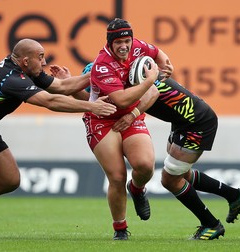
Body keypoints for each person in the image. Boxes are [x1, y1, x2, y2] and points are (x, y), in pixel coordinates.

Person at [0, 38, 117, 238]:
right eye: (41, 57)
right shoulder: (11, 79)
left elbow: (62, 87)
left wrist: (102, 70)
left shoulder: (27, 72)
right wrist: (91, 106)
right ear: (25, 61)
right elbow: (50, 101)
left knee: (9, 180)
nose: (44, 62)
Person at [112, 77, 240, 240]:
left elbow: (150, 92)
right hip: (184, 121)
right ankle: (234, 195)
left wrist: (131, 114)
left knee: (169, 179)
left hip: (197, 125)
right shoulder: (142, 72)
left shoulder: (136, 83)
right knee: (180, 173)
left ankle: (211, 224)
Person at [82, 18, 173, 240]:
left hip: (131, 116)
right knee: (116, 175)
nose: (124, 46)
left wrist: (166, 66)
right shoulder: (102, 64)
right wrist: (149, 81)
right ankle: (120, 229)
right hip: (101, 120)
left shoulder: (138, 46)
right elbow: (121, 100)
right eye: (119, 42)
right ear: (110, 43)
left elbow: (158, 52)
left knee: (144, 166)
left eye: (127, 40)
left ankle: (138, 189)